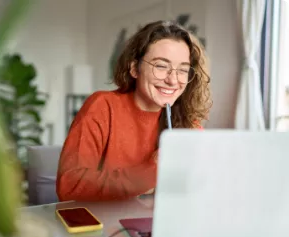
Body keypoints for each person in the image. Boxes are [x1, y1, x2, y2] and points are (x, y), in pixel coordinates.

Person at [56, 20, 212, 202]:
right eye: (161, 66)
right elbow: (70, 185)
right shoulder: (102, 106)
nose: (173, 80)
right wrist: (151, 172)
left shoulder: (187, 123)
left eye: (183, 70)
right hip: (102, 226)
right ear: (134, 68)